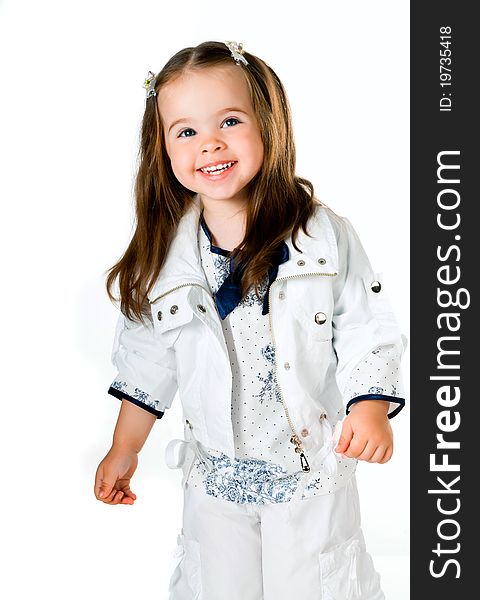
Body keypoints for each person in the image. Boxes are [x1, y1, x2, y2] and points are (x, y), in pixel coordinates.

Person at [94, 40, 407, 599]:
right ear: (162, 148)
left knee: (315, 586)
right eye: (185, 131)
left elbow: (366, 325)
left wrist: (371, 405)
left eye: (229, 121)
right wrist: (125, 448)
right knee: (217, 586)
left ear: (267, 123)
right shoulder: (166, 255)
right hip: (217, 476)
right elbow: (146, 361)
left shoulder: (321, 235)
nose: (209, 143)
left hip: (310, 471)